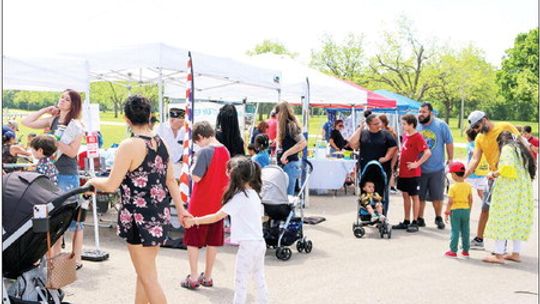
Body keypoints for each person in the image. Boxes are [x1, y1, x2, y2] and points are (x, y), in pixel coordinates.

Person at [85, 95, 191, 304]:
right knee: (144, 275)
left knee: (148, 278)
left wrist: (91, 181)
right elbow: (171, 180)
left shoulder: (129, 145)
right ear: (150, 115)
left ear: (126, 119)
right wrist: (181, 209)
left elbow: (110, 185)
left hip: (138, 218)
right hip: (159, 215)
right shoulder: (161, 143)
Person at [185, 156, 268, 304]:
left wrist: (195, 221)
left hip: (247, 246)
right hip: (259, 243)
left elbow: (217, 217)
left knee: (240, 283)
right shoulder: (254, 195)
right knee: (259, 278)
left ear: (235, 176)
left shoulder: (240, 198)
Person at [21, 89, 86, 268]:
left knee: (72, 217)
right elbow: (27, 122)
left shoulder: (76, 126)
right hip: (49, 173)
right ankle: (54, 258)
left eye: (67, 99)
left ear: (73, 105)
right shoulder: (53, 120)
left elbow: (73, 152)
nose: (62, 101)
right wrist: (45, 110)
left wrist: (56, 142)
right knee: (53, 217)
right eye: (61, 97)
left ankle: (76, 257)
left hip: (66, 174)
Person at [182, 121, 230, 290]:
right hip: (218, 204)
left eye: (197, 141)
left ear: (201, 137)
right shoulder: (225, 151)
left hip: (200, 204)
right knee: (212, 242)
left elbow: (196, 177)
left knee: (193, 241)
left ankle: (194, 276)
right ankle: (208, 276)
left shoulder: (204, 152)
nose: (197, 144)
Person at [464, 110, 521, 250]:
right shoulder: (479, 138)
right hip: (492, 176)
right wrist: (464, 175)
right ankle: (479, 239)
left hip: (508, 176)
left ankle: (503, 245)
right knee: (485, 208)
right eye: (474, 128)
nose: (476, 130)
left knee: (504, 211)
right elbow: (475, 159)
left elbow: (521, 145)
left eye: (477, 126)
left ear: (484, 119)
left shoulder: (505, 127)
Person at [482, 131, 536, 264]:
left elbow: (507, 168)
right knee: (516, 219)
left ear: (500, 141)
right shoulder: (519, 148)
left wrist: (493, 174)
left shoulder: (507, 149)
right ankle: (515, 253)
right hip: (522, 188)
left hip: (509, 188)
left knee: (502, 217)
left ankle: (499, 255)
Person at [348, 114, 397, 214]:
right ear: (369, 124)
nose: (379, 125)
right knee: (366, 193)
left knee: (381, 193)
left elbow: (393, 147)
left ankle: (382, 215)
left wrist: (386, 157)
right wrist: (360, 128)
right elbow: (352, 144)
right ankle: (366, 214)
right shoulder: (364, 134)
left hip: (382, 169)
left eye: (379, 122)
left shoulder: (386, 134)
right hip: (367, 169)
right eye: (376, 124)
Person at [416, 102, 454, 230]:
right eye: (420, 111)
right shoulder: (416, 125)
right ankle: (419, 218)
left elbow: (449, 142)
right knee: (419, 195)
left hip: (437, 168)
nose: (421, 114)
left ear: (430, 113)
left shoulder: (440, 125)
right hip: (419, 167)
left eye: (424, 112)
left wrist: (451, 159)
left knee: (437, 196)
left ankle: (438, 217)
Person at [393, 114, 431, 233]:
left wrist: (417, 164)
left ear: (411, 124)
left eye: (404, 124)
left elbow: (427, 152)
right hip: (403, 172)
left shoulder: (418, 137)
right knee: (405, 195)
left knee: (414, 196)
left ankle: (415, 221)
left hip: (413, 173)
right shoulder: (405, 135)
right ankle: (406, 220)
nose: (402, 126)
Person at [274, 102, 308, 195]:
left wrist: (286, 154)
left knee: (288, 198)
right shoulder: (285, 126)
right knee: (285, 197)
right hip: (287, 165)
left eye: (276, 113)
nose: (275, 116)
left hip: (291, 165)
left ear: (281, 113)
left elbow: (303, 142)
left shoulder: (290, 125)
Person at [444, 161, 473, 258]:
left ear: (454, 175)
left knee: (455, 230)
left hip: (455, 211)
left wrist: (447, 211)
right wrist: (469, 209)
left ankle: (453, 250)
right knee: (466, 230)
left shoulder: (453, 187)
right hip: (466, 210)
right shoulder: (468, 186)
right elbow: (470, 199)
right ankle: (465, 250)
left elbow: (450, 202)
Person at [156, 108, 185, 181]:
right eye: (180, 122)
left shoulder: (184, 129)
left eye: (183, 122)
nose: (182, 125)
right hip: (164, 165)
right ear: (172, 120)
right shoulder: (161, 129)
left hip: (180, 166)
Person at [465, 128, 489, 200]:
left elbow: (473, 151)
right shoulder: (482, 143)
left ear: (469, 137)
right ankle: (486, 206)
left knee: (467, 192)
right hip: (482, 172)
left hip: (471, 174)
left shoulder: (470, 145)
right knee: (481, 193)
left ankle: (466, 205)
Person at [379, 114, 399, 193]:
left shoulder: (389, 132)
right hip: (388, 154)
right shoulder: (384, 131)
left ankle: (391, 187)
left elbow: (394, 147)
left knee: (390, 169)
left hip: (391, 154)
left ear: (383, 123)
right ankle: (390, 186)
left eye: (379, 122)